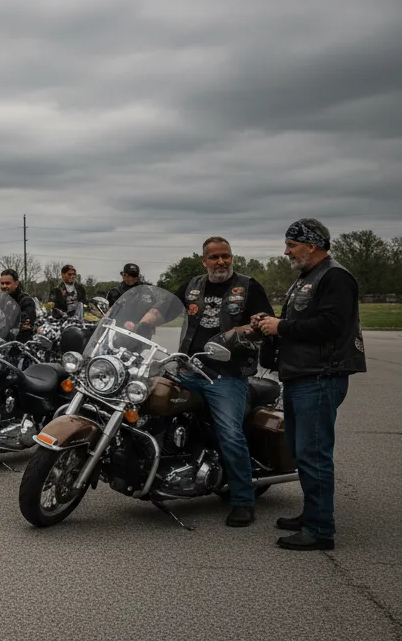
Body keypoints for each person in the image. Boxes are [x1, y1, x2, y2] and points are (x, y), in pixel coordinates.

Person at [141, 236, 273, 528]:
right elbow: (165, 308)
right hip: (189, 369)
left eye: (225, 256)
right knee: (149, 404)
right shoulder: (192, 286)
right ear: (204, 260)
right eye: (214, 257)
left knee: (229, 431)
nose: (221, 262)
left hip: (226, 375)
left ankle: (242, 500)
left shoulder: (248, 286)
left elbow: (265, 321)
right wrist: (143, 322)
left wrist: (246, 329)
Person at [254, 218, 367, 551]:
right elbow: (303, 321)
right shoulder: (308, 277)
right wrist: (269, 325)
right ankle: (311, 513)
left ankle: (320, 529)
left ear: (312, 245)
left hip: (321, 377)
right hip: (301, 374)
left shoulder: (335, 277)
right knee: (300, 450)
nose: (286, 251)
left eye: (292, 245)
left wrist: (281, 327)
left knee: (314, 454)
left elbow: (332, 325)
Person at [0, 269, 38, 342]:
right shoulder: (0, 301)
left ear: (16, 284)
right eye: (2, 283)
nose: (4, 286)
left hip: (19, 345)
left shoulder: (25, 301)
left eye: (7, 283)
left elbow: (27, 325)